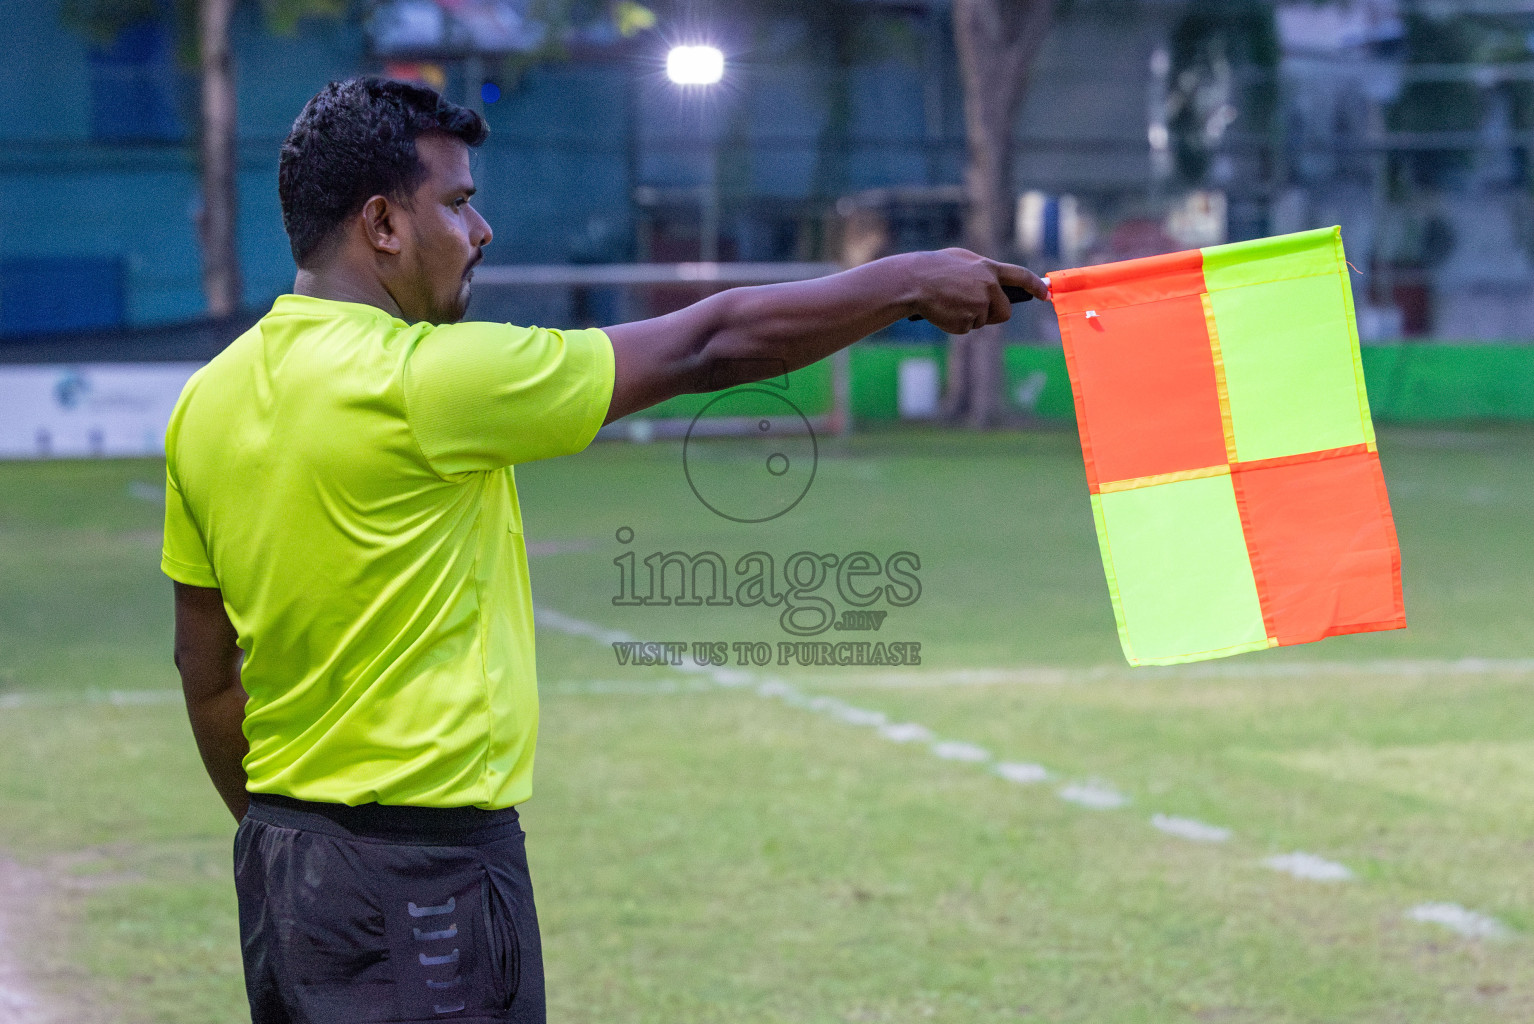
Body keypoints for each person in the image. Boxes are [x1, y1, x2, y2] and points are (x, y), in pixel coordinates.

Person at [163, 76, 1047, 1024]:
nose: (481, 229)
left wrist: (289, 839)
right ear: (382, 224)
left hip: (286, 868)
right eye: (458, 203)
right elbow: (711, 344)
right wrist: (909, 279)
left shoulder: (204, 403)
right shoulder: (423, 382)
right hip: (423, 873)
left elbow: (206, 674)